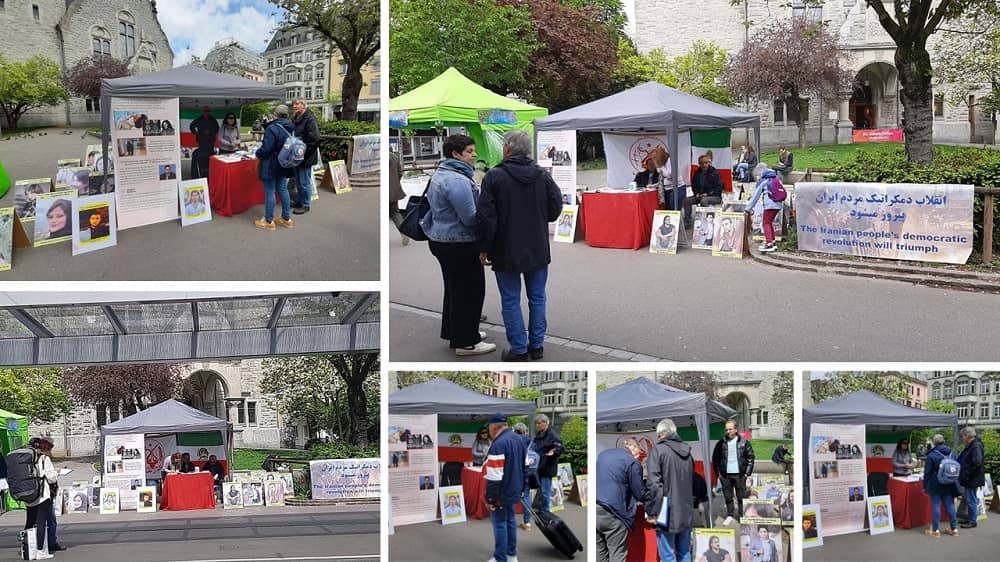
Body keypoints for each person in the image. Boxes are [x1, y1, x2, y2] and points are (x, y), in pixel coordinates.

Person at [476, 130, 562, 361]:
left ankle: (519, 348)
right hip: (537, 246)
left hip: (505, 248)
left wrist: (484, 248)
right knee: (537, 297)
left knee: (510, 299)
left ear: (506, 149)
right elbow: (555, 208)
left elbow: (486, 217)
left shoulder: (494, 177)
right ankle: (537, 345)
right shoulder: (542, 175)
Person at [421, 134, 495, 356]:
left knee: (454, 290)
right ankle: (466, 341)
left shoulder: (442, 173)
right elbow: (470, 218)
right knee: (470, 291)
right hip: (459, 243)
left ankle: (458, 332)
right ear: (456, 154)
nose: (474, 156)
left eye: (474, 151)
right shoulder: (458, 181)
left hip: (441, 240)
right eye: (470, 152)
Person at [646, 418, 694, 562]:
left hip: (666, 512)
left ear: (661, 434)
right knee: (685, 552)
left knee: (667, 555)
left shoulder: (658, 450)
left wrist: (652, 511)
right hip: (685, 509)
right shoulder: (687, 452)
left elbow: (654, 484)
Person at [483, 413, 527, 562]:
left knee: (500, 524)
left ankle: (500, 558)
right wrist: (522, 488)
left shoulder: (498, 443)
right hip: (514, 489)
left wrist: (489, 498)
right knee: (510, 522)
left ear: (493, 427)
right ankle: (511, 555)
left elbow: (494, 476)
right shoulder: (519, 439)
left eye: (489, 427)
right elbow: (525, 467)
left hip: (501, 493)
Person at [596, 438, 647, 562]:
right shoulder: (632, 462)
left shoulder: (603, 455)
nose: (638, 456)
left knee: (599, 552)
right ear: (633, 448)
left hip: (595, 507)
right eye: (639, 453)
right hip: (614, 513)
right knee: (617, 552)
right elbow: (640, 493)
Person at [254, 105, 296, 231]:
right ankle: (286, 219)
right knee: (283, 189)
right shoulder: (292, 127)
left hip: (271, 163)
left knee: (270, 191)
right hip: (285, 162)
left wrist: (258, 153)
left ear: (275, 114)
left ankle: (268, 221)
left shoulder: (272, 128)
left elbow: (267, 148)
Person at [711, 420, 755, 525]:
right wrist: (719, 475)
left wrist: (747, 474)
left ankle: (741, 515)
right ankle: (730, 515)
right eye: (726, 429)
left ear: (735, 429)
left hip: (740, 475)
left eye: (730, 429)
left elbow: (751, 457)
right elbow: (715, 459)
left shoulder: (744, 442)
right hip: (725, 475)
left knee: (741, 497)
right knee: (728, 496)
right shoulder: (721, 443)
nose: (728, 431)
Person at [23, 438, 59, 557]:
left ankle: (27, 550)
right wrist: (56, 473)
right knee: (41, 523)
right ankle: (40, 551)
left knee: (29, 523)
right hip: (42, 496)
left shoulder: (25, 459)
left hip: (29, 495)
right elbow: (51, 478)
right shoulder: (43, 458)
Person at [923, 433, 960, 537]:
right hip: (949, 482)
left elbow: (927, 473)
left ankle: (935, 531)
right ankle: (954, 529)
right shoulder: (952, 452)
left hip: (936, 483)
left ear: (934, 442)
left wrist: (925, 486)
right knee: (950, 504)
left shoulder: (932, 455)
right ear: (943, 441)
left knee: (936, 505)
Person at [290, 99, 320, 214]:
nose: (294, 106)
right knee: (298, 181)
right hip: (296, 155)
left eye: (297, 104)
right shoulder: (296, 118)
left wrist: (303, 152)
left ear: (304, 105)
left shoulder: (309, 119)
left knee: (304, 182)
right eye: (294, 104)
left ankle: (306, 204)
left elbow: (315, 139)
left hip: (305, 156)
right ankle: (299, 201)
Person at [744, 167, 783, 252]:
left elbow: (755, 197)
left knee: (765, 223)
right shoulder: (777, 181)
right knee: (769, 223)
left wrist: (748, 209)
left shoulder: (764, 183)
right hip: (778, 206)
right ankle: (773, 241)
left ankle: (769, 244)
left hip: (769, 206)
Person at [532, 414, 564, 515]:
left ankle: (546, 511)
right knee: (541, 489)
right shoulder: (540, 434)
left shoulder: (552, 434)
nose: (537, 425)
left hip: (547, 466)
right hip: (540, 465)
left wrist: (554, 451)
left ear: (545, 423)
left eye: (539, 423)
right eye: (536, 423)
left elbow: (560, 447)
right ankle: (542, 508)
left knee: (545, 490)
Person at [684, 155, 723, 227]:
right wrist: (696, 193)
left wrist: (707, 194)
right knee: (687, 201)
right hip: (700, 196)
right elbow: (694, 185)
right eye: (702, 163)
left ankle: (705, 222)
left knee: (704, 201)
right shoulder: (697, 173)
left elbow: (719, 188)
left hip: (714, 196)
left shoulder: (715, 173)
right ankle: (687, 222)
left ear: (709, 163)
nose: (704, 165)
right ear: (699, 164)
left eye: (706, 163)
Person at [958, 426, 985, 528]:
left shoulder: (975, 446)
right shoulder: (973, 445)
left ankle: (972, 521)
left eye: (963, 436)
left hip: (972, 478)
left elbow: (977, 463)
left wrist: (967, 474)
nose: (962, 438)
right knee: (970, 499)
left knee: (971, 500)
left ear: (967, 436)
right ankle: (970, 518)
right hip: (971, 478)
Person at [512, 423, 534, 531]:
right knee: (526, 496)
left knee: (511, 495)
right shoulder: (530, 441)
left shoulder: (512, 441)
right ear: (525, 430)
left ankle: (510, 520)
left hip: (514, 471)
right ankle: (527, 522)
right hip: (527, 471)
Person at [388, 151, 409, 245]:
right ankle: (404, 232)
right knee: (395, 213)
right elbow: (400, 172)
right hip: (393, 190)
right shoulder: (394, 156)